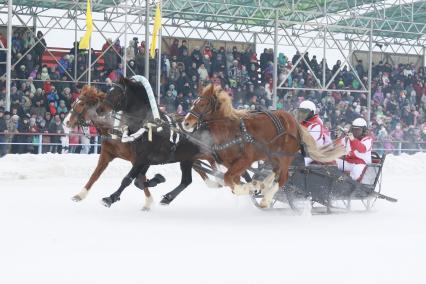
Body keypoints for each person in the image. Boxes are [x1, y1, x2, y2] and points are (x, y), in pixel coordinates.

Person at [296, 100, 331, 165]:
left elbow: (310, 143)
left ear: (311, 112)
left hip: (314, 152)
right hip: (304, 149)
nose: (301, 114)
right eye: (300, 111)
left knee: (299, 163)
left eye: (304, 112)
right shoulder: (304, 121)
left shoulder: (316, 124)